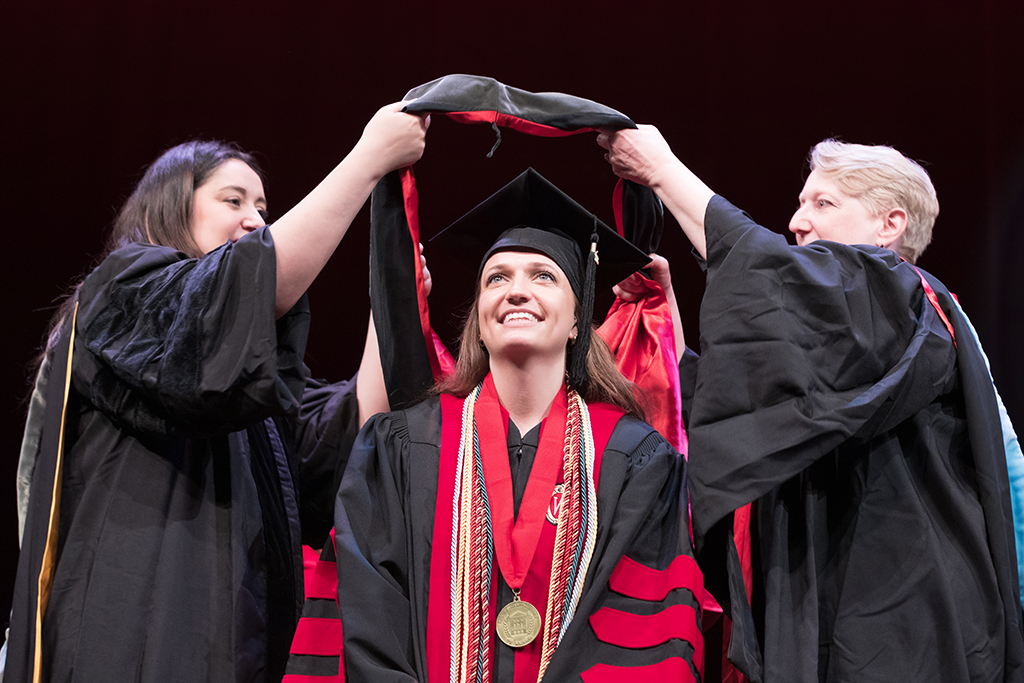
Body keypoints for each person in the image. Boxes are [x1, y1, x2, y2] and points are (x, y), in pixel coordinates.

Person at [5, 102, 428, 683]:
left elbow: (345, 439)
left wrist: (393, 301)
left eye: (262, 207)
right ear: (166, 211)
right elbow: (236, 297)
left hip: (233, 645)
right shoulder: (121, 298)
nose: (256, 220)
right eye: (233, 201)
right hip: (130, 634)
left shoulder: (239, 387)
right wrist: (366, 160)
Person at [597, 128, 1024, 682]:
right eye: (801, 203)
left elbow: (776, 279)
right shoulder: (852, 332)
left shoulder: (909, 298)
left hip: (909, 613)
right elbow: (742, 414)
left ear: (889, 225)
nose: (798, 221)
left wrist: (665, 172)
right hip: (825, 603)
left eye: (823, 203)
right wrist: (666, 318)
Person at [332, 169, 704, 683]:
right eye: (497, 278)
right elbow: (370, 613)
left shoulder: (633, 458)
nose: (516, 291)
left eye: (544, 276)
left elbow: (645, 636)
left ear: (577, 322)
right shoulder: (405, 447)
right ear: (479, 320)